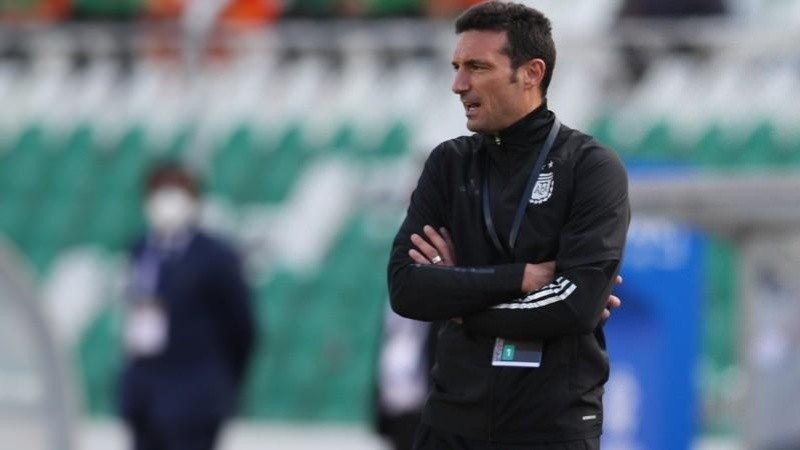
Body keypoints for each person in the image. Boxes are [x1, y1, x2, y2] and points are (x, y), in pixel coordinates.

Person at [387, 2, 630, 449]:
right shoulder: (448, 163)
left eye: (478, 67)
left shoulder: (590, 167)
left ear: (532, 73)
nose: (459, 84)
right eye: (457, 67)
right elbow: (406, 288)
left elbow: (576, 306)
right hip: (450, 424)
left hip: (549, 427)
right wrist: (520, 278)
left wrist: (460, 303)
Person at [118, 162, 256, 450]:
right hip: (146, 397)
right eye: (159, 191)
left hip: (195, 398)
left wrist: (221, 381)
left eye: (175, 190)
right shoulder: (142, 248)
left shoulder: (216, 256)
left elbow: (241, 326)